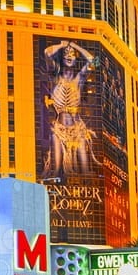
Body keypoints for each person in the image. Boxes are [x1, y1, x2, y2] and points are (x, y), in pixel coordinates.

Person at [40, 39, 96, 180]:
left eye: (72, 54)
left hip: (77, 129)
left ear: (76, 57)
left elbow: (94, 61)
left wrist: (75, 46)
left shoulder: (79, 79)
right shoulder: (55, 77)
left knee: (85, 170)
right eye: (66, 53)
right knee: (56, 170)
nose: (69, 55)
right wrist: (62, 45)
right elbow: (46, 53)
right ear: (62, 57)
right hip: (59, 129)